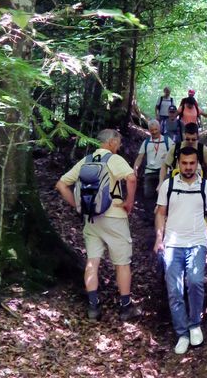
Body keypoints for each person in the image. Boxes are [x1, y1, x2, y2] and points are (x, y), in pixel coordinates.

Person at [55, 129, 140, 322]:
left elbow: (61, 184)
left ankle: (93, 307)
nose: (118, 147)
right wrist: (129, 202)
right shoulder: (114, 159)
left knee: (92, 262)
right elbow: (132, 178)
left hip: (91, 219)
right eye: (117, 143)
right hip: (114, 218)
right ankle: (125, 307)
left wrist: (78, 206)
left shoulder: (85, 161)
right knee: (122, 263)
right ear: (110, 142)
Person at [154, 146, 207, 354]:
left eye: (192, 163)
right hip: (173, 243)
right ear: (178, 163)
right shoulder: (169, 184)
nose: (188, 167)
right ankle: (182, 333)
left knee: (195, 282)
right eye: (184, 163)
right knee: (174, 290)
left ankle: (194, 325)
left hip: (197, 242)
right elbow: (160, 213)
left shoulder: (205, 186)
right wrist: (159, 239)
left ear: (197, 164)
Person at [133, 119, 170, 224]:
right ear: (149, 130)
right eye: (151, 130)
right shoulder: (146, 142)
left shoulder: (167, 141)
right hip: (149, 172)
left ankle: (164, 217)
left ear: (160, 128)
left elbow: (174, 154)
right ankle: (150, 218)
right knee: (148, 195)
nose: (154, 132)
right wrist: (135, 168)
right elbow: (140, 157)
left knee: (164, 194)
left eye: (156, 129)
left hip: (164, 172)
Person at [159, 122, 207, 187]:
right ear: (184, 135)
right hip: (177, 182)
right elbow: (165, 165)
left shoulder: (203, 150)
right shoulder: (175, 148)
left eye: (193, 139)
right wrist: (161, 183)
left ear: (197, 136)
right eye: (188, 139)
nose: (190, 142)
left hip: (197, 184)